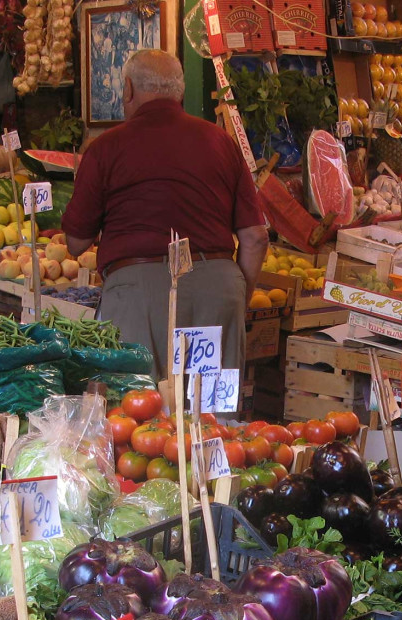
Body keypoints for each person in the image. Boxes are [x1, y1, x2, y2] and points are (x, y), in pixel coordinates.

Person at [61, 49, 268, 380]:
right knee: (212, 405)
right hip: (218, 290)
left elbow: (75, 243)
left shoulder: (106, 148)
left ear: (128, 89)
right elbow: (256, 237)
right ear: (180, 92)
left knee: (140, 404)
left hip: (138, 296)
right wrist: (236, 298)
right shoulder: (221, 142)